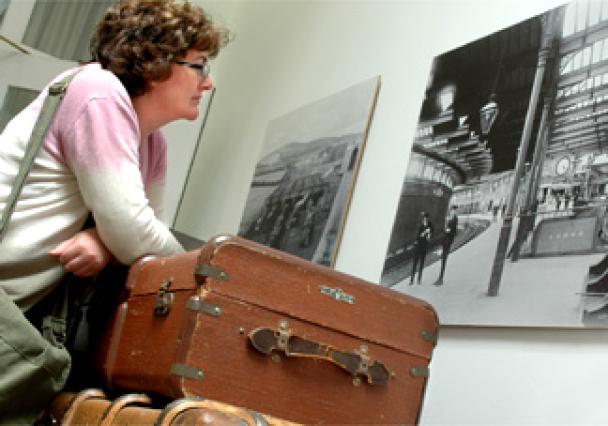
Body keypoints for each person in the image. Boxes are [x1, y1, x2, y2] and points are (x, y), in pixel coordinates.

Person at [0, 1, 228, 422]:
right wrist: (116, 236)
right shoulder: (97, 92)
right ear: (156, 63)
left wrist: (104, 240)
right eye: (198, 65)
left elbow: (144, 248)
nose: (208, 82)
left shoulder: (152, 142)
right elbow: (135, 233)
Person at [434, 205, 458, 286]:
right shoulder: (450, 219)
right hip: (445, 240)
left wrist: (447, 230)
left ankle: (440, 279)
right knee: (443, 258)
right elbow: (448, 230)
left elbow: (454, 232)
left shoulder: (454, 219)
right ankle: (440, 278)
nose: (452, 212)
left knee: (444, 259)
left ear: (455, 211)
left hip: (448, 241)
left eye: (454, 210)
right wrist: (446, 229)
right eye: (451, 210)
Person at [410, 212, 433, 285]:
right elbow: (417, 237)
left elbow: (431, 233)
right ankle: (411, 280)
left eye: (426, 218)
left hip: (424, 247)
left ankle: (419, 280)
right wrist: (423, 234)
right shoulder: (420, 226)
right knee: (415, 264)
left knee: (421, 264)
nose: (425, 220)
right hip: (418, 247)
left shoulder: (430, 225)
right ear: (423, 219)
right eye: (424, 218)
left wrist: (429, 235)